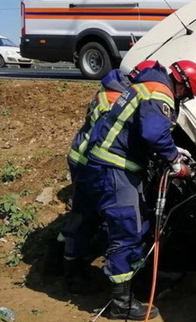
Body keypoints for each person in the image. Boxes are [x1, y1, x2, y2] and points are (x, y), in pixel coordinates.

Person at [75, 60, 196, 320]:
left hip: (111, 165)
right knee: (128, 229)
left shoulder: (146, 84)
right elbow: (154, 133)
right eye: (186, 95)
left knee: (139, 223)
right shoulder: (160, 91)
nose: (182, 99)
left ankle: (134, 285)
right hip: (115, 168)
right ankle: (121, 303)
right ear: (182, 84)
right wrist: (175, 161)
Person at [59, 60, 161, 294]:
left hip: (84, 160)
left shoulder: (112, 92)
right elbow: (120, 138)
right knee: (118, 223)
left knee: (82, 217)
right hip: (96, 165)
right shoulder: (116, 100)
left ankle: (63, 266)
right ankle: (114, 290)